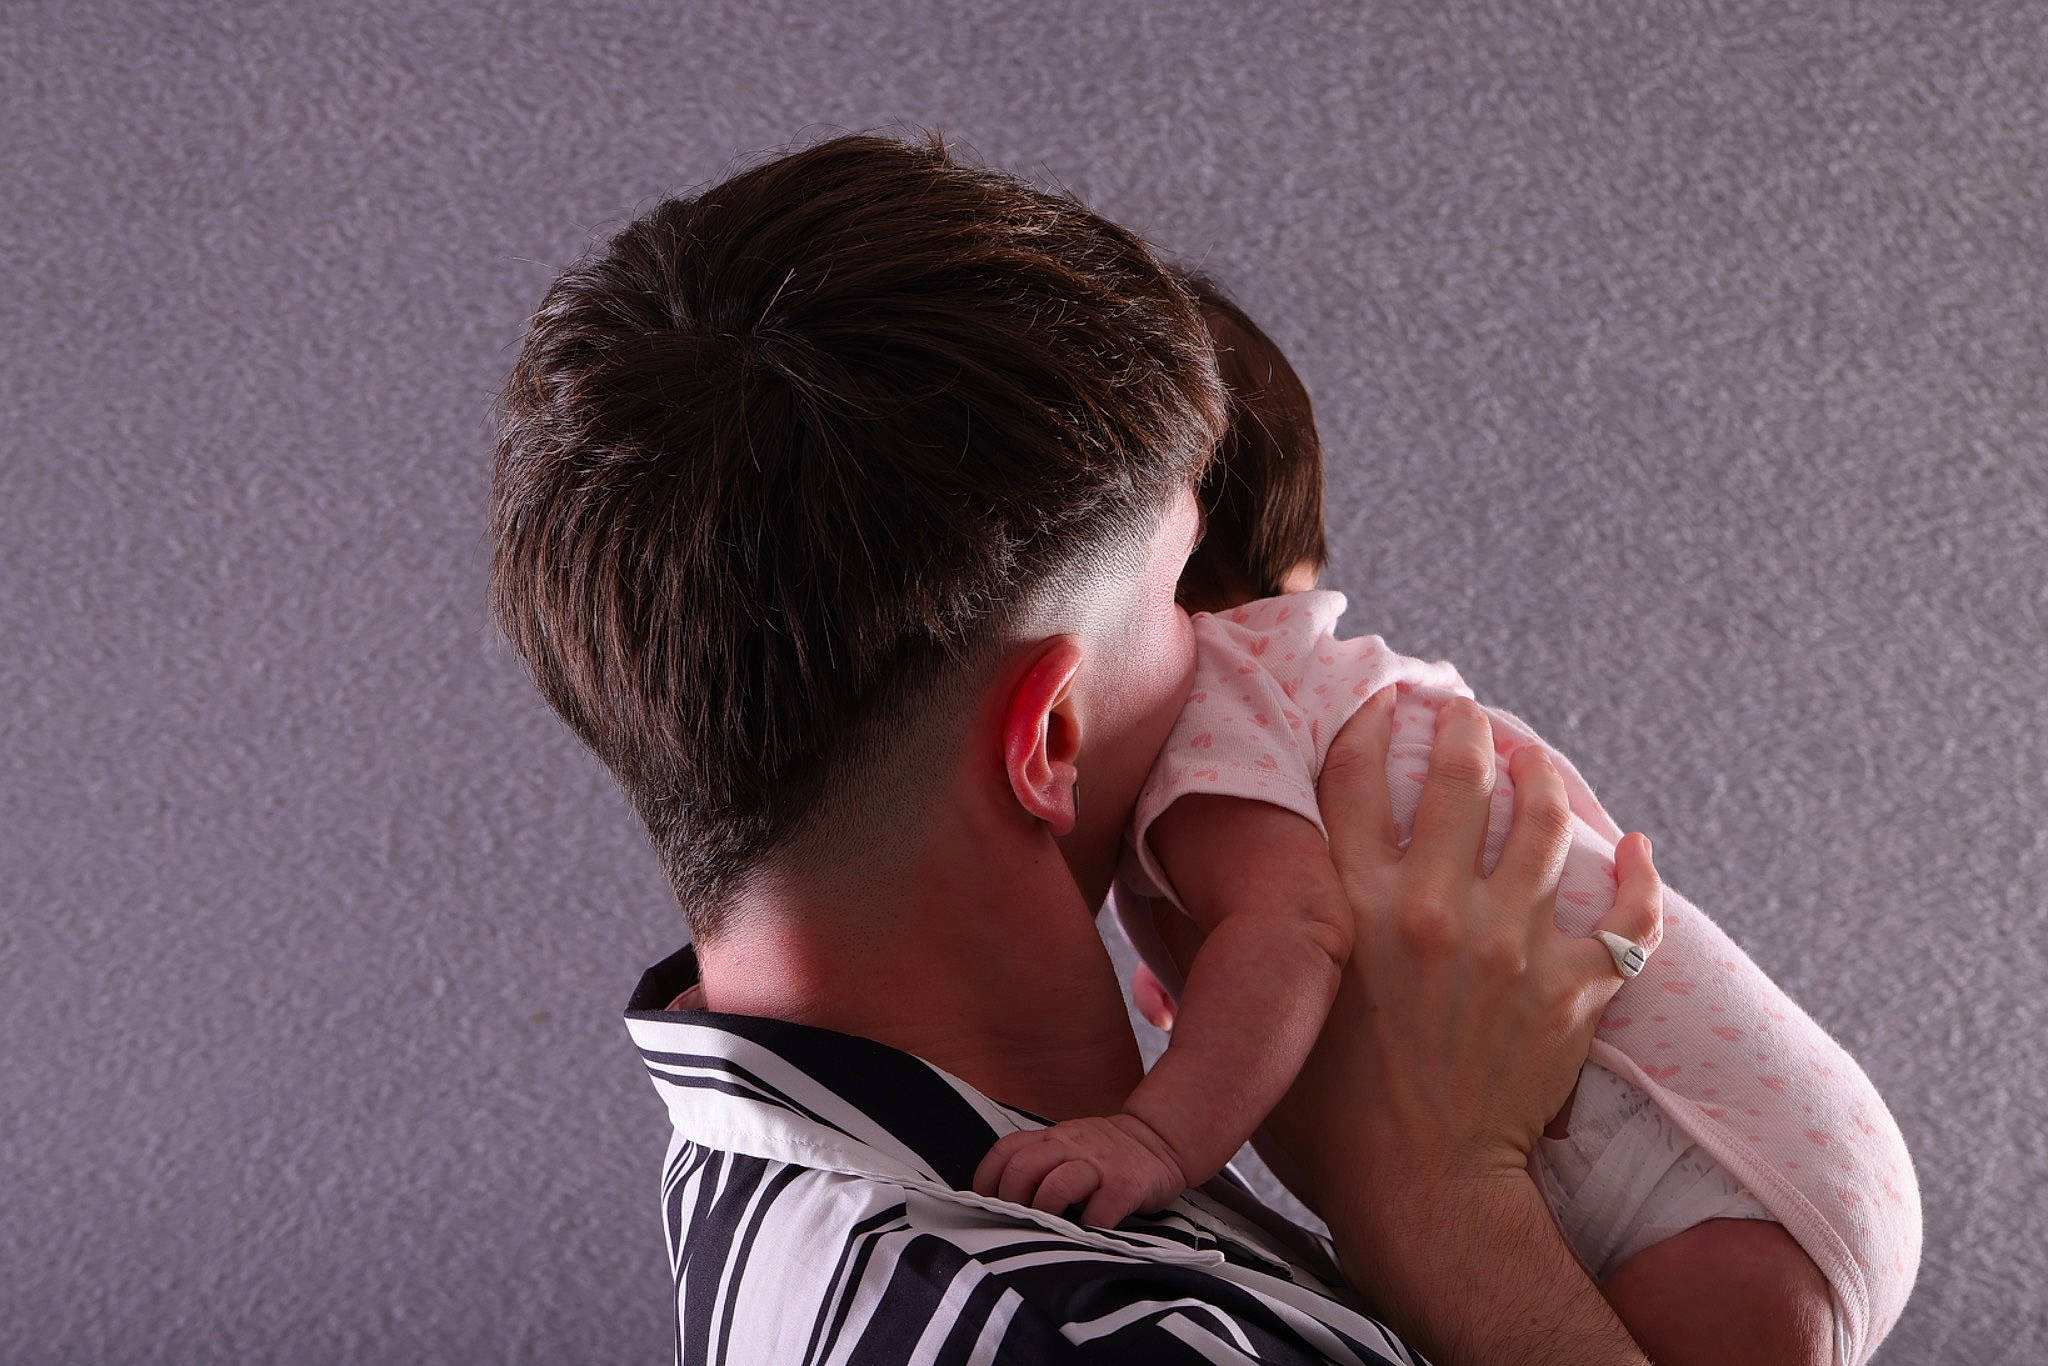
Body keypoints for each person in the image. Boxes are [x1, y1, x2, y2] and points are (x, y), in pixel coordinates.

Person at [490, 128, 1666, 1363]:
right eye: (1179, 602)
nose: (1227, 647)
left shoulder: (775, 1156)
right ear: (1047, 737)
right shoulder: (1097, 1336)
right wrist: (1442, 1207)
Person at [973, 272, 1920, 1366]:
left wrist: (1152, 1133)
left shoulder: (1201, 681)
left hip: (1680, 1166)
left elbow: (1290, 930)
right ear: (1302, 562)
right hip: (1773, 1143)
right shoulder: (1328, 681)